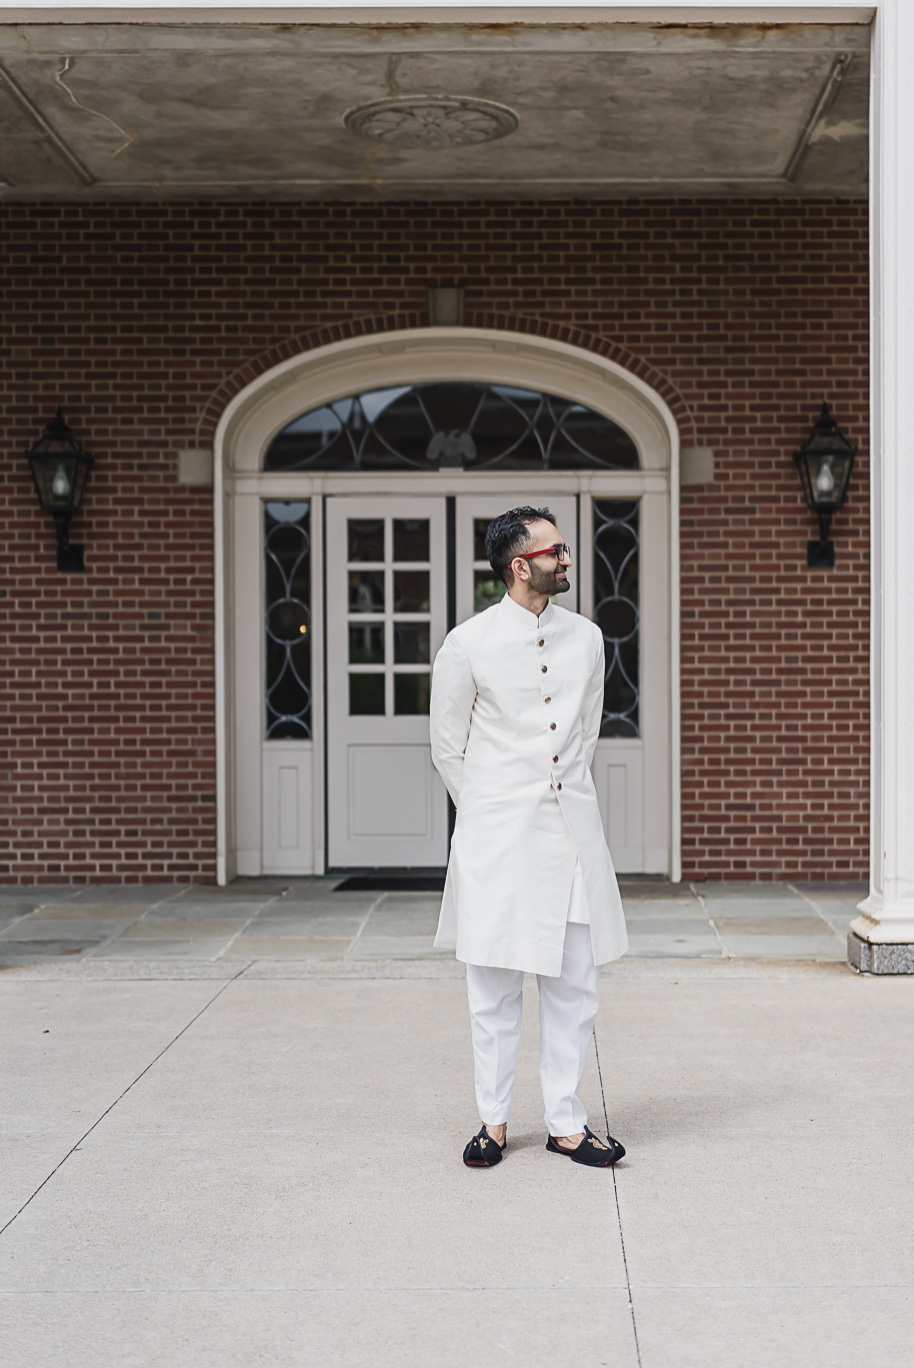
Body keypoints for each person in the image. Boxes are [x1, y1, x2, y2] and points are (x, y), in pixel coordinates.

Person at [429, 505, 629, 1169]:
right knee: (494, 988)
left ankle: (567, 1124)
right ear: (521, 565)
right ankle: (492, 1120)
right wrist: (490, 811)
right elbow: (447, 748)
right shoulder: (468, 644)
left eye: (564, 550)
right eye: (555, 552)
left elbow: (587, 735)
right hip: (498, 840)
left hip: (571, 833)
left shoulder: (589, 639)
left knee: (575, 985)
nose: (566, 560)